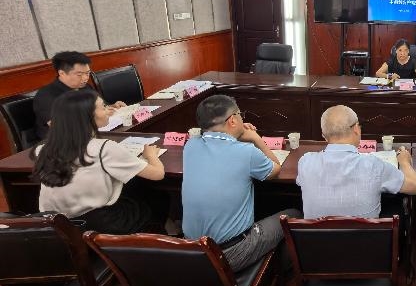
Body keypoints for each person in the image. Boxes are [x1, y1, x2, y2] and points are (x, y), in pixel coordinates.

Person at [182, 95, 301, 272]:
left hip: (192, 250)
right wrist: (255, 138)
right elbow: (276, 168)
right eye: (240, 115)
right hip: (231, 253)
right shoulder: (246, 152)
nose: (242, 119)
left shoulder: (191, 145)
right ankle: (276, 274)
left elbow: (220, 146)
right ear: (232, 120)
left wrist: (236, 134)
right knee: (294, 214)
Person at [32, 89, 168, 234]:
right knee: (158, 198)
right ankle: (157, 238)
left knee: (129, 188)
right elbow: (157, 174)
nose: (108, 110)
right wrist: (151, 155)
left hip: (57, 225)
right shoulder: (104, 148)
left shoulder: (42, 149)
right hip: (101, 223)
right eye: (103, 107)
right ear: (89, 117)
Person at [297, 105, 416, 218]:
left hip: (316, 236)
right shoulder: (373, 165)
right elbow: (415, 187)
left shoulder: (305, 162)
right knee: (396, 207)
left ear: (324, 136)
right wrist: (404, 162)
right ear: (356, 129)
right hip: (366, 236)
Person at [33, 51, 125, 139]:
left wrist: (112, 107)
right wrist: (99, 116)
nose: (85, 78)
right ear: (62, 73)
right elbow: (62, 127)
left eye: (87, 73)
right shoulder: (46, 96)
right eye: (79, 75)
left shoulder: (85, 87)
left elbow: (97, 109)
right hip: (63, 142)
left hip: (95, 134)